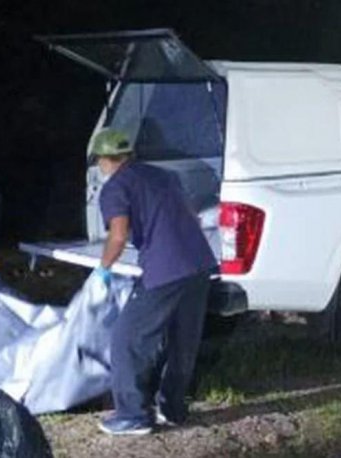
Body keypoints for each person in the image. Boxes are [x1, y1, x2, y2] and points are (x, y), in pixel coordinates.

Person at [90, 129, 217, 436]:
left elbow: (118, 235)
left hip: (165, 269)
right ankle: (172, 409)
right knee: (183, 340)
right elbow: (193, 217)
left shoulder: (115, 188)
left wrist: (103, 270)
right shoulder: (164, 175)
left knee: (126, 339)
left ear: (104, 159)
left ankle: (131, 415)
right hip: (200, 263)